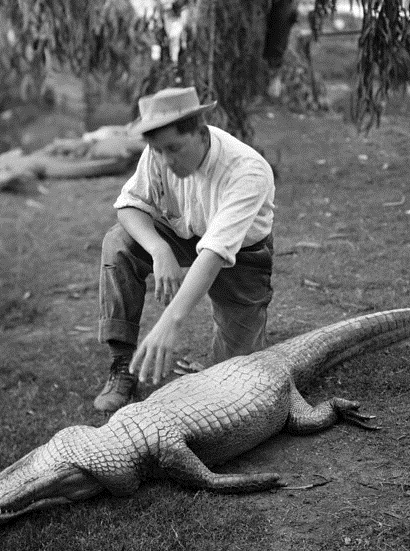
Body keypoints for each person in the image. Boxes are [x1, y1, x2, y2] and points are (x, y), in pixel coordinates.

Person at [93, 86, 276, 412]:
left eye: (175, 149)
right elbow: (129, 206)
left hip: (240, 257)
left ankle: (234, 344)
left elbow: (215, 254)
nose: (166, 160)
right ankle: (123, 364)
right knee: (118, 242)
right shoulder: (160, 152)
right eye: (159, 150)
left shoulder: (247, 170)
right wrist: (159, 249)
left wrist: (169, 322)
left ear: (202, 133)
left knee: (233, 385)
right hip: (182, 234)